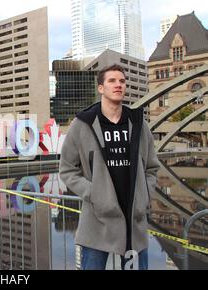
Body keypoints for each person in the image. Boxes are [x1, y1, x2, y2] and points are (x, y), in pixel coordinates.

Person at [59, 64, 160, 270]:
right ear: (101, 88)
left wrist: (144, 196)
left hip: (134, 222)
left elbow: (152, 167)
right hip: (97, 222)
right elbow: (67, 169)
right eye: (112, 81)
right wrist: (93, 193)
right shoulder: (83, 124)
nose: (118, 85)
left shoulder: (138, 123)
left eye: (122, 81)